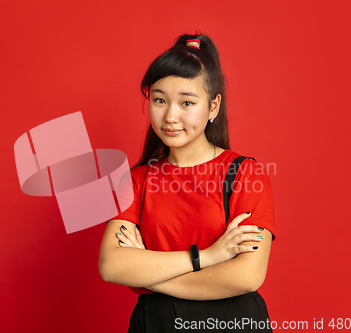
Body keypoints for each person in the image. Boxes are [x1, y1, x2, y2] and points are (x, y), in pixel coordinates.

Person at [98, 32, 276, 333]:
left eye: (187, 102)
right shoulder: (136, 179)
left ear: (213, 106)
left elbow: (247, 276)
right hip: (156, 325)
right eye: (159, 100)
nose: (170, 116)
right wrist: (208, 256)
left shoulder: (245, 174)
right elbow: (111, 266)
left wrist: (147, 276)